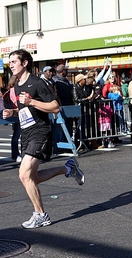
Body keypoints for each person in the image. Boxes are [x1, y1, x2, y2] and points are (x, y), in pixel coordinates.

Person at [2, 49, 85, 229]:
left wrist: (32, 102)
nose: (11, 65)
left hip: (40, 132)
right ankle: (67, 167)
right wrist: (13, 112)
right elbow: (25, 109)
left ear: (24, 63)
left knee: (24, 175)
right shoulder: (16, 85)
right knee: (33, 177)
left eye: (14, 62)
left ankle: (41, 215)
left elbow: (55, 107)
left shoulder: (37, 83)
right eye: (10, 63)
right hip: (26, 133)